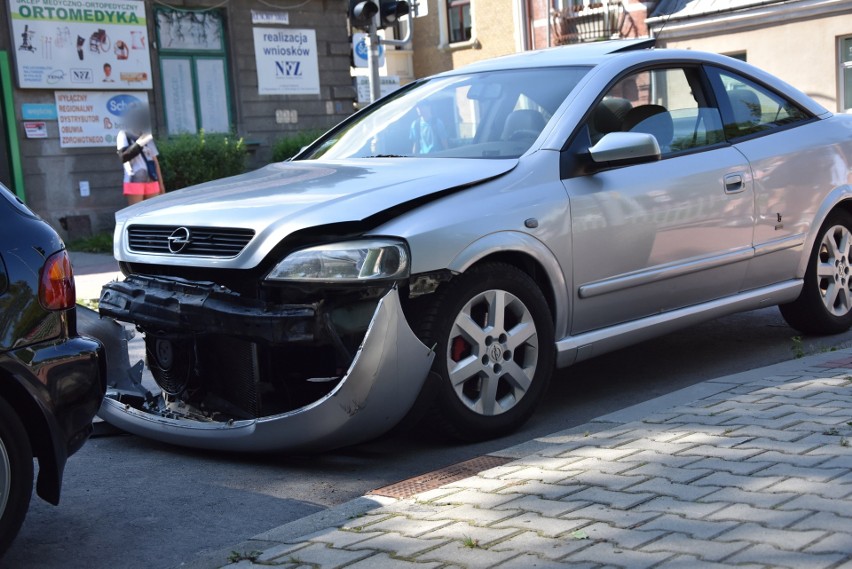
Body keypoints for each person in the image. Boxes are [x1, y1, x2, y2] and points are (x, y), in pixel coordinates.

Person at [117, 106, 165, 205]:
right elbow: (123, 157)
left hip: (152, 180)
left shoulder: (147, 135)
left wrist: (161, 183)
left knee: (153, 213)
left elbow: (155, 160)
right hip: (134, 180)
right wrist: (139, 144)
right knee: (136, 213)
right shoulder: (124, 134)